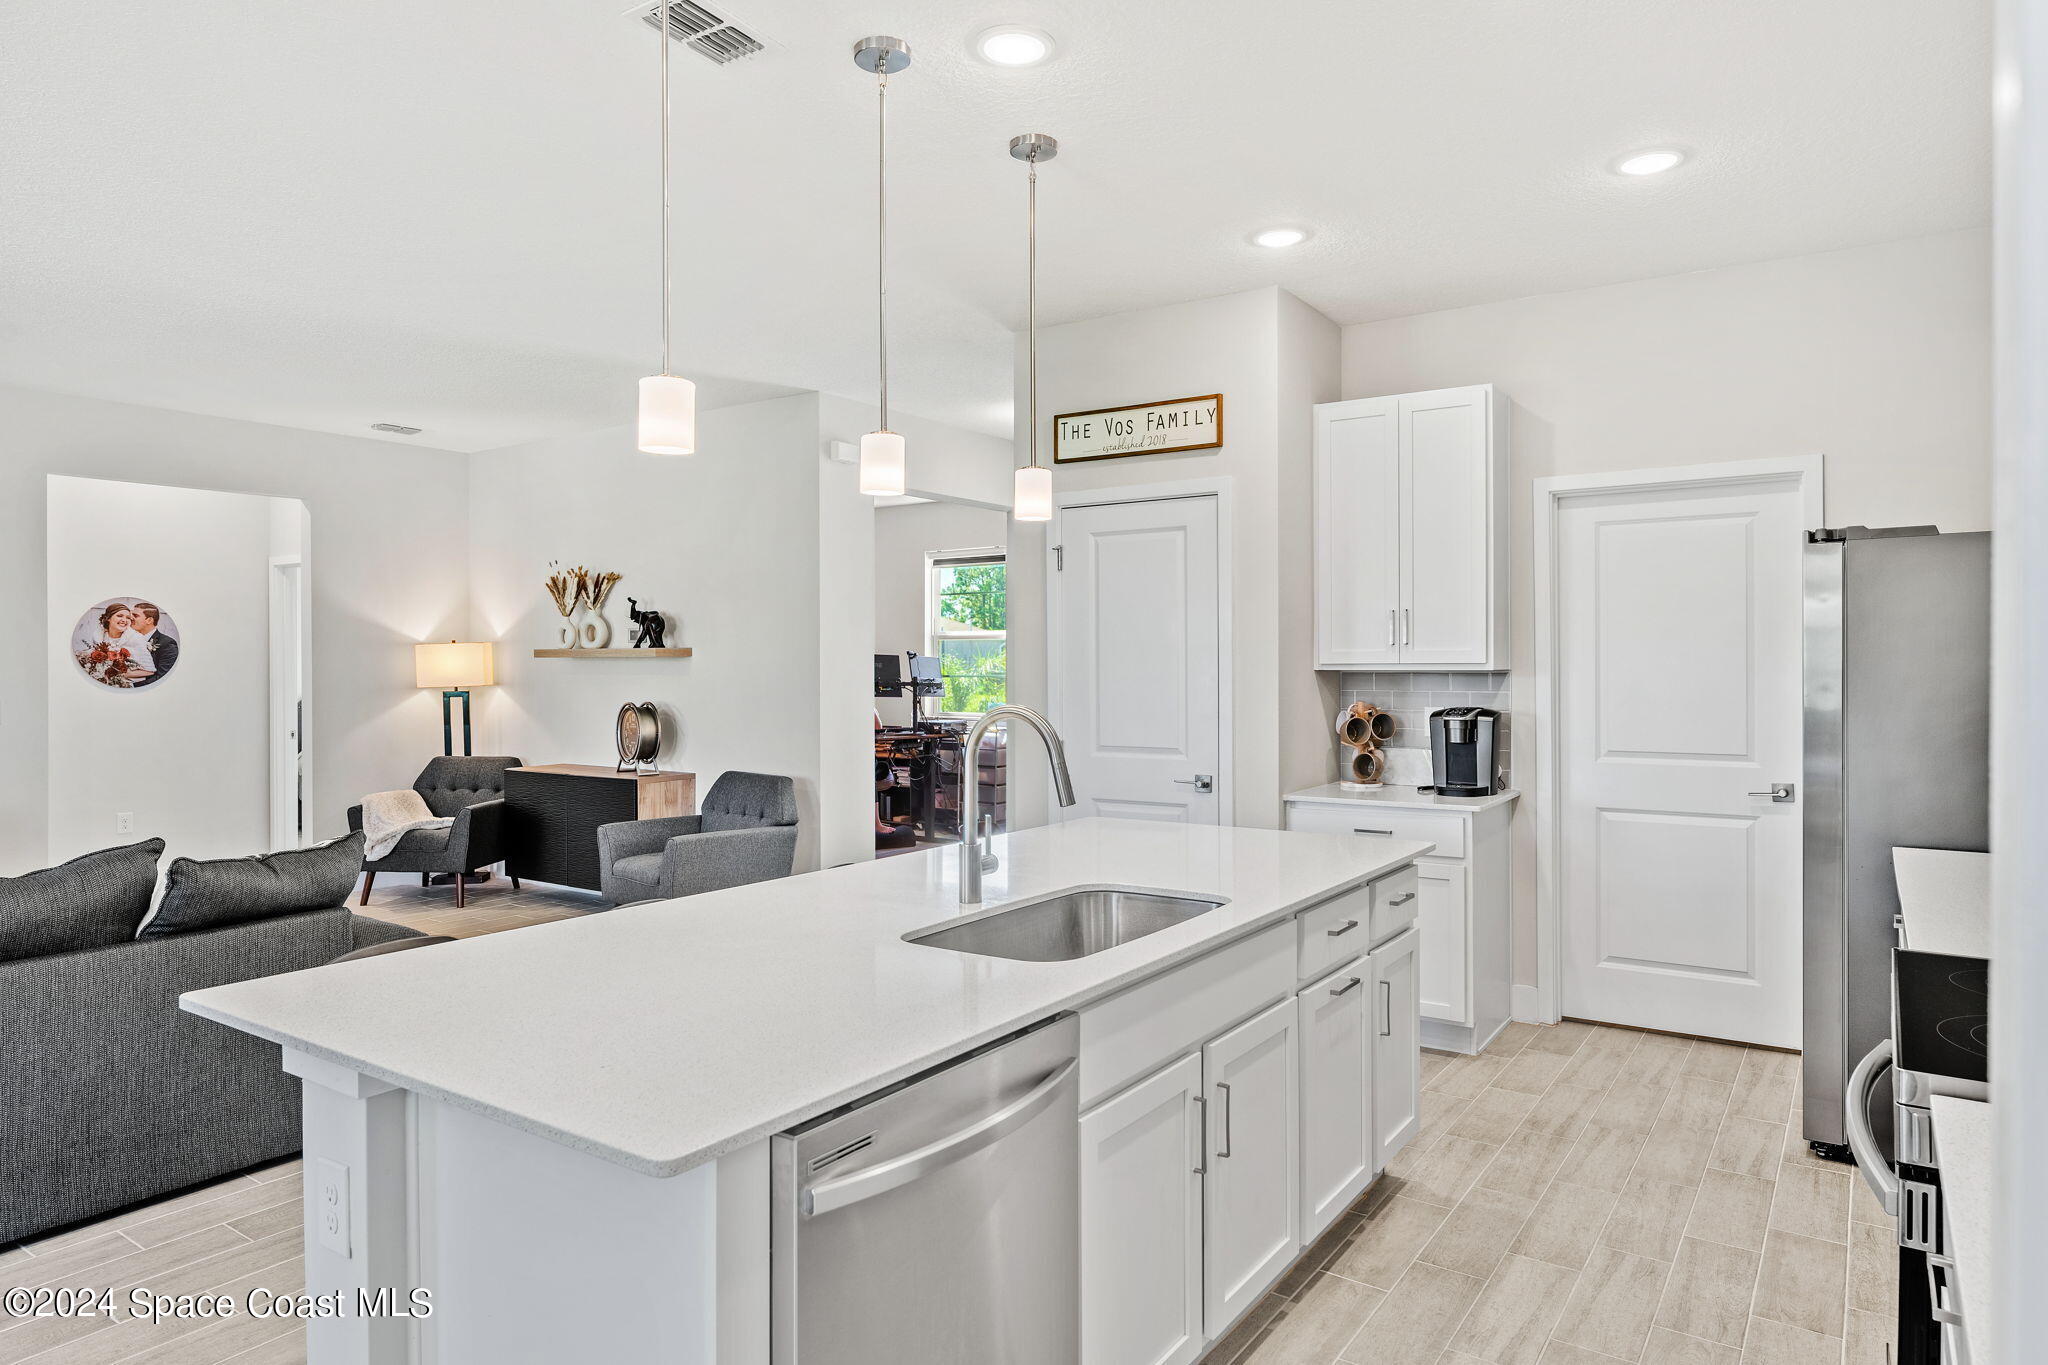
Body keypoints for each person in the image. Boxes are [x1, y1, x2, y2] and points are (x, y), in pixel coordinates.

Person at [129, 601, 177, 685]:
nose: (131, 618)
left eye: (135, 615)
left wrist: (129, 687)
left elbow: (162, 677)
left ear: (149, 620)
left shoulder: (167, 644)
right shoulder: (128, 640)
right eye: (131, 615)